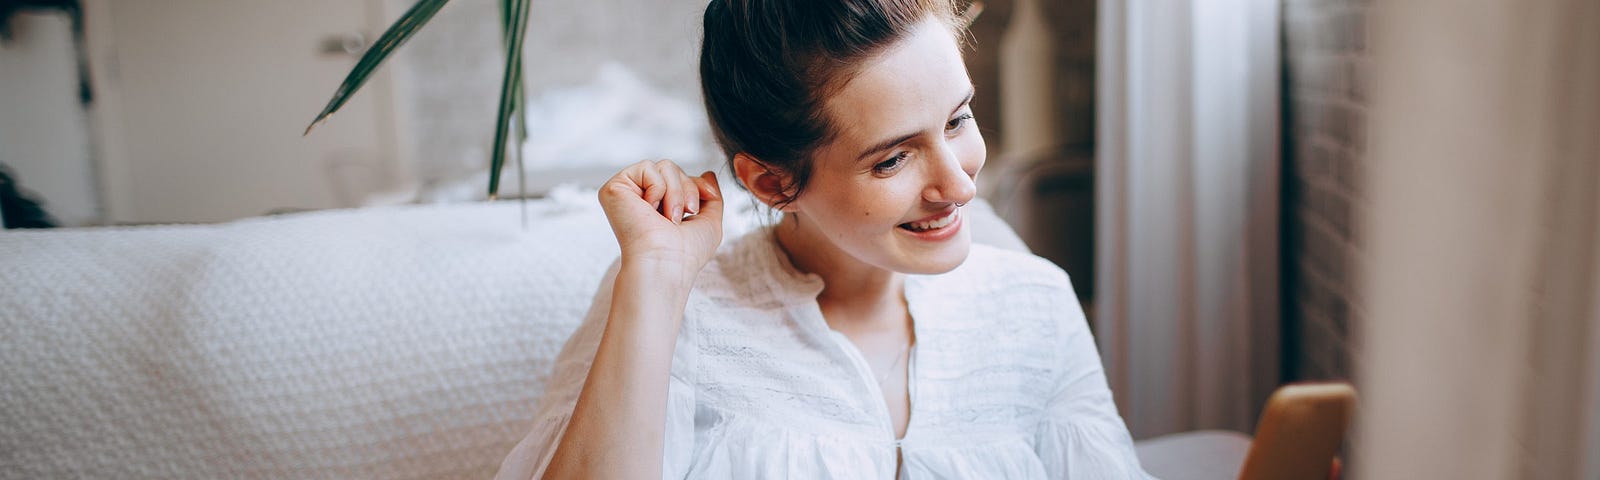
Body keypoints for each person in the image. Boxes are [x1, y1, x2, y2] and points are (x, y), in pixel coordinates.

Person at [497, 0, 1152, 477]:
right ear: (773, 181)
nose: (958, 186)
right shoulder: (679, 319)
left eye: (958, 120)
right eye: (892, 159)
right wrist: (657, 279)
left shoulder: (1035, 305)